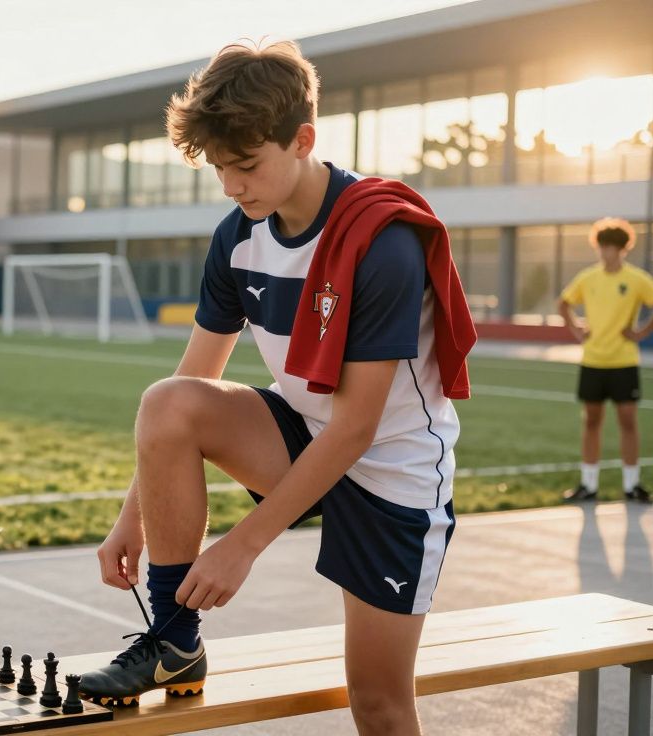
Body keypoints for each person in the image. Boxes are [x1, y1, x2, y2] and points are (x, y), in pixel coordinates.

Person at [78, 41, 476, 736]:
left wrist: (241, 546)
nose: (232, 186)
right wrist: (129, 520)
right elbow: (195, 379)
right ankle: (175, 642)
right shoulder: (237, 238)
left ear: (303, 140)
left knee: (379, 705)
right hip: (299, 434)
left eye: (246, 165)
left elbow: (355, 429)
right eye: (218, 168)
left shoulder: (381, 241)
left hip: (391, 472)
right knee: (168, 401)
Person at [558, 218, 653, 504]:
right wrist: (576, 329)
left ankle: (632, 485)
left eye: (611, 247)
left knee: (628, 421)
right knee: (591, 422)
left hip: (624, 361)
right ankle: (588, 485)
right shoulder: (588, 277)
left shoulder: (636, 278)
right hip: (593, 361)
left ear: (623, 249)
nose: (605, 252)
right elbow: (563, 303)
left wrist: (641, 332)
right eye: (602, 246)